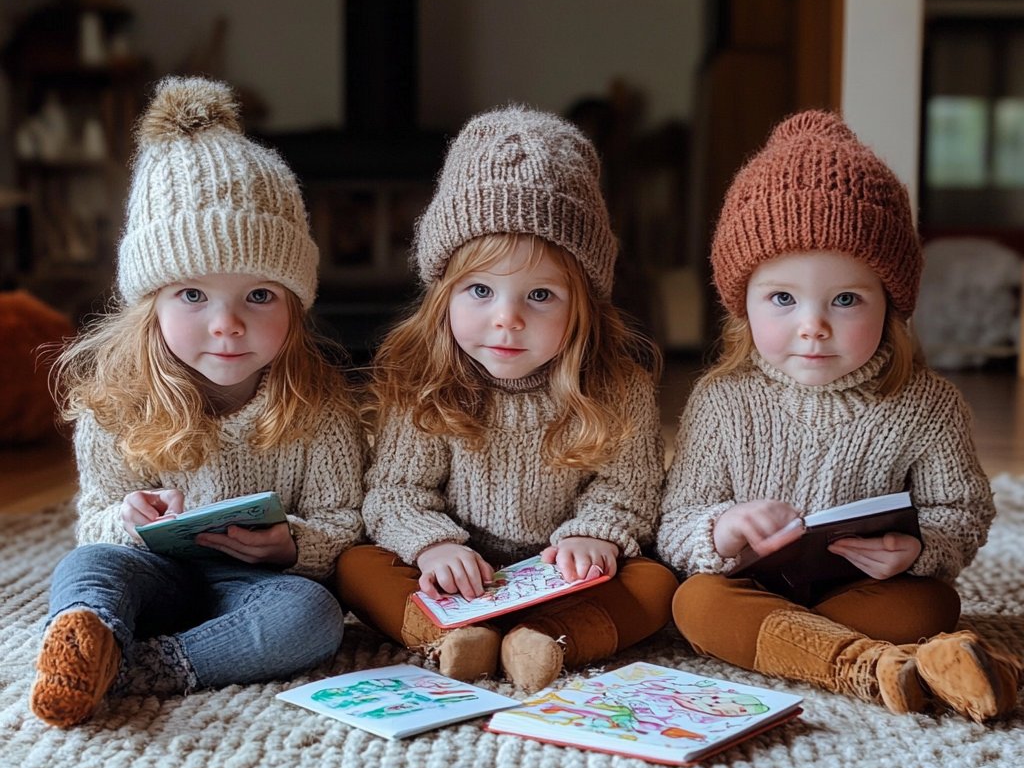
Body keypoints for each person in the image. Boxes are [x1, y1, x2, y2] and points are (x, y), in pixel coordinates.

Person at [658, 110, 1021, 723]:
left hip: (858, 590)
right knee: (695, 601)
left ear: (892, 305)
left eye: (846, 299)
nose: (813, 325)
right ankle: (862, 666)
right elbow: (675, 523)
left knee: (928, 608)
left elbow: (963, 511)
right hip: (750, 586)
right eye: (782, 298)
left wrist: (916, 549)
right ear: (742, 304)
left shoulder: (925, 406)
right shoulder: (722, 401)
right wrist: (721, 529)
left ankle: (794, 643)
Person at [30, 77, 367, 728]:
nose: (227, 324)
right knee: (90, 564)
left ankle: (138, 669)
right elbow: (94, 518)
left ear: (296, 305)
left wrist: (288, 547)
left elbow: (344, 522)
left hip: (257, 588)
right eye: (192, 295)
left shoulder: (319, 410)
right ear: (150, 303)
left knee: (315, 618)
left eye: (259, 296)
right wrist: (127, 520)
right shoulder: (117, 405)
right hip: (154, 577)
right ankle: (85, 639)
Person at [337, 106, 677, 692]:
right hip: (457, 573)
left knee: (658, 583)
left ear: (584, 305)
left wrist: (592, 534)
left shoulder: (618, 388)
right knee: (354, 565)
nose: (507, 319)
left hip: (562, 573)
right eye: (480, 290)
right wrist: (434, 545)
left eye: (540, 294)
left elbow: (630, 490)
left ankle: (544, 641)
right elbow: (394, 492)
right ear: (443, 293)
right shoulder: (426, 380)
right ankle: (451, 637)